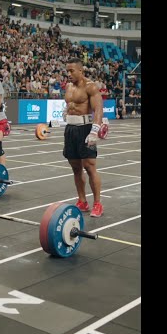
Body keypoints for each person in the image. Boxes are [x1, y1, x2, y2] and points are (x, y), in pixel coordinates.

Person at [63, 58, 104, 217]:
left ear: (81, 71)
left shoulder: (90, 87)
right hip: (71, 129)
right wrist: (66, 112)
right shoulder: (68, 86)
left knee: (89, 166)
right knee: (75, 167)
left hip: (86, 129)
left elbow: (98, 109)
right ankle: (82, 201)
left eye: (72, 71)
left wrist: (94, 131)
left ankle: (97, 204)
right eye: (67, 71)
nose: (69, 74)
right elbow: (69, 105)